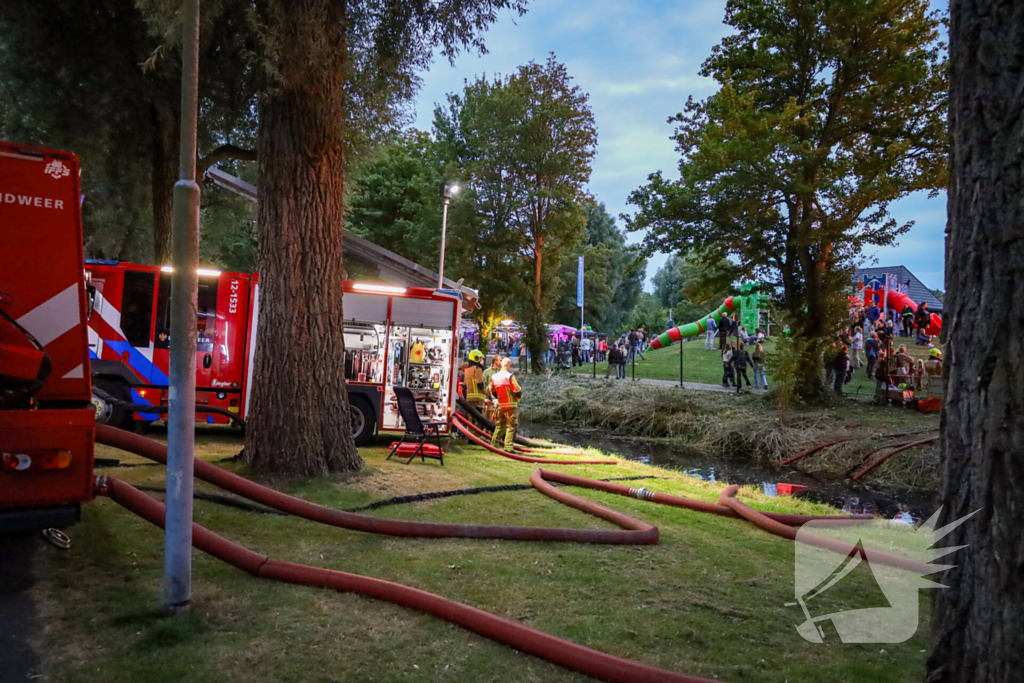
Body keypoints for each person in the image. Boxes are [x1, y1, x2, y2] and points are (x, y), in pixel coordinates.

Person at [488, 358, 522, 452]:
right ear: (508, 365)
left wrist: (499, 398)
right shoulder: (510, 376)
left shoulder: (494, 377)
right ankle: (508, 447)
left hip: (501, 405)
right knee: (511, 426)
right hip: (510, 406)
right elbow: (517, 390)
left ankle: (494, 445)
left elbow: (492, 389)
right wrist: (517, 398)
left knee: (499, 426)